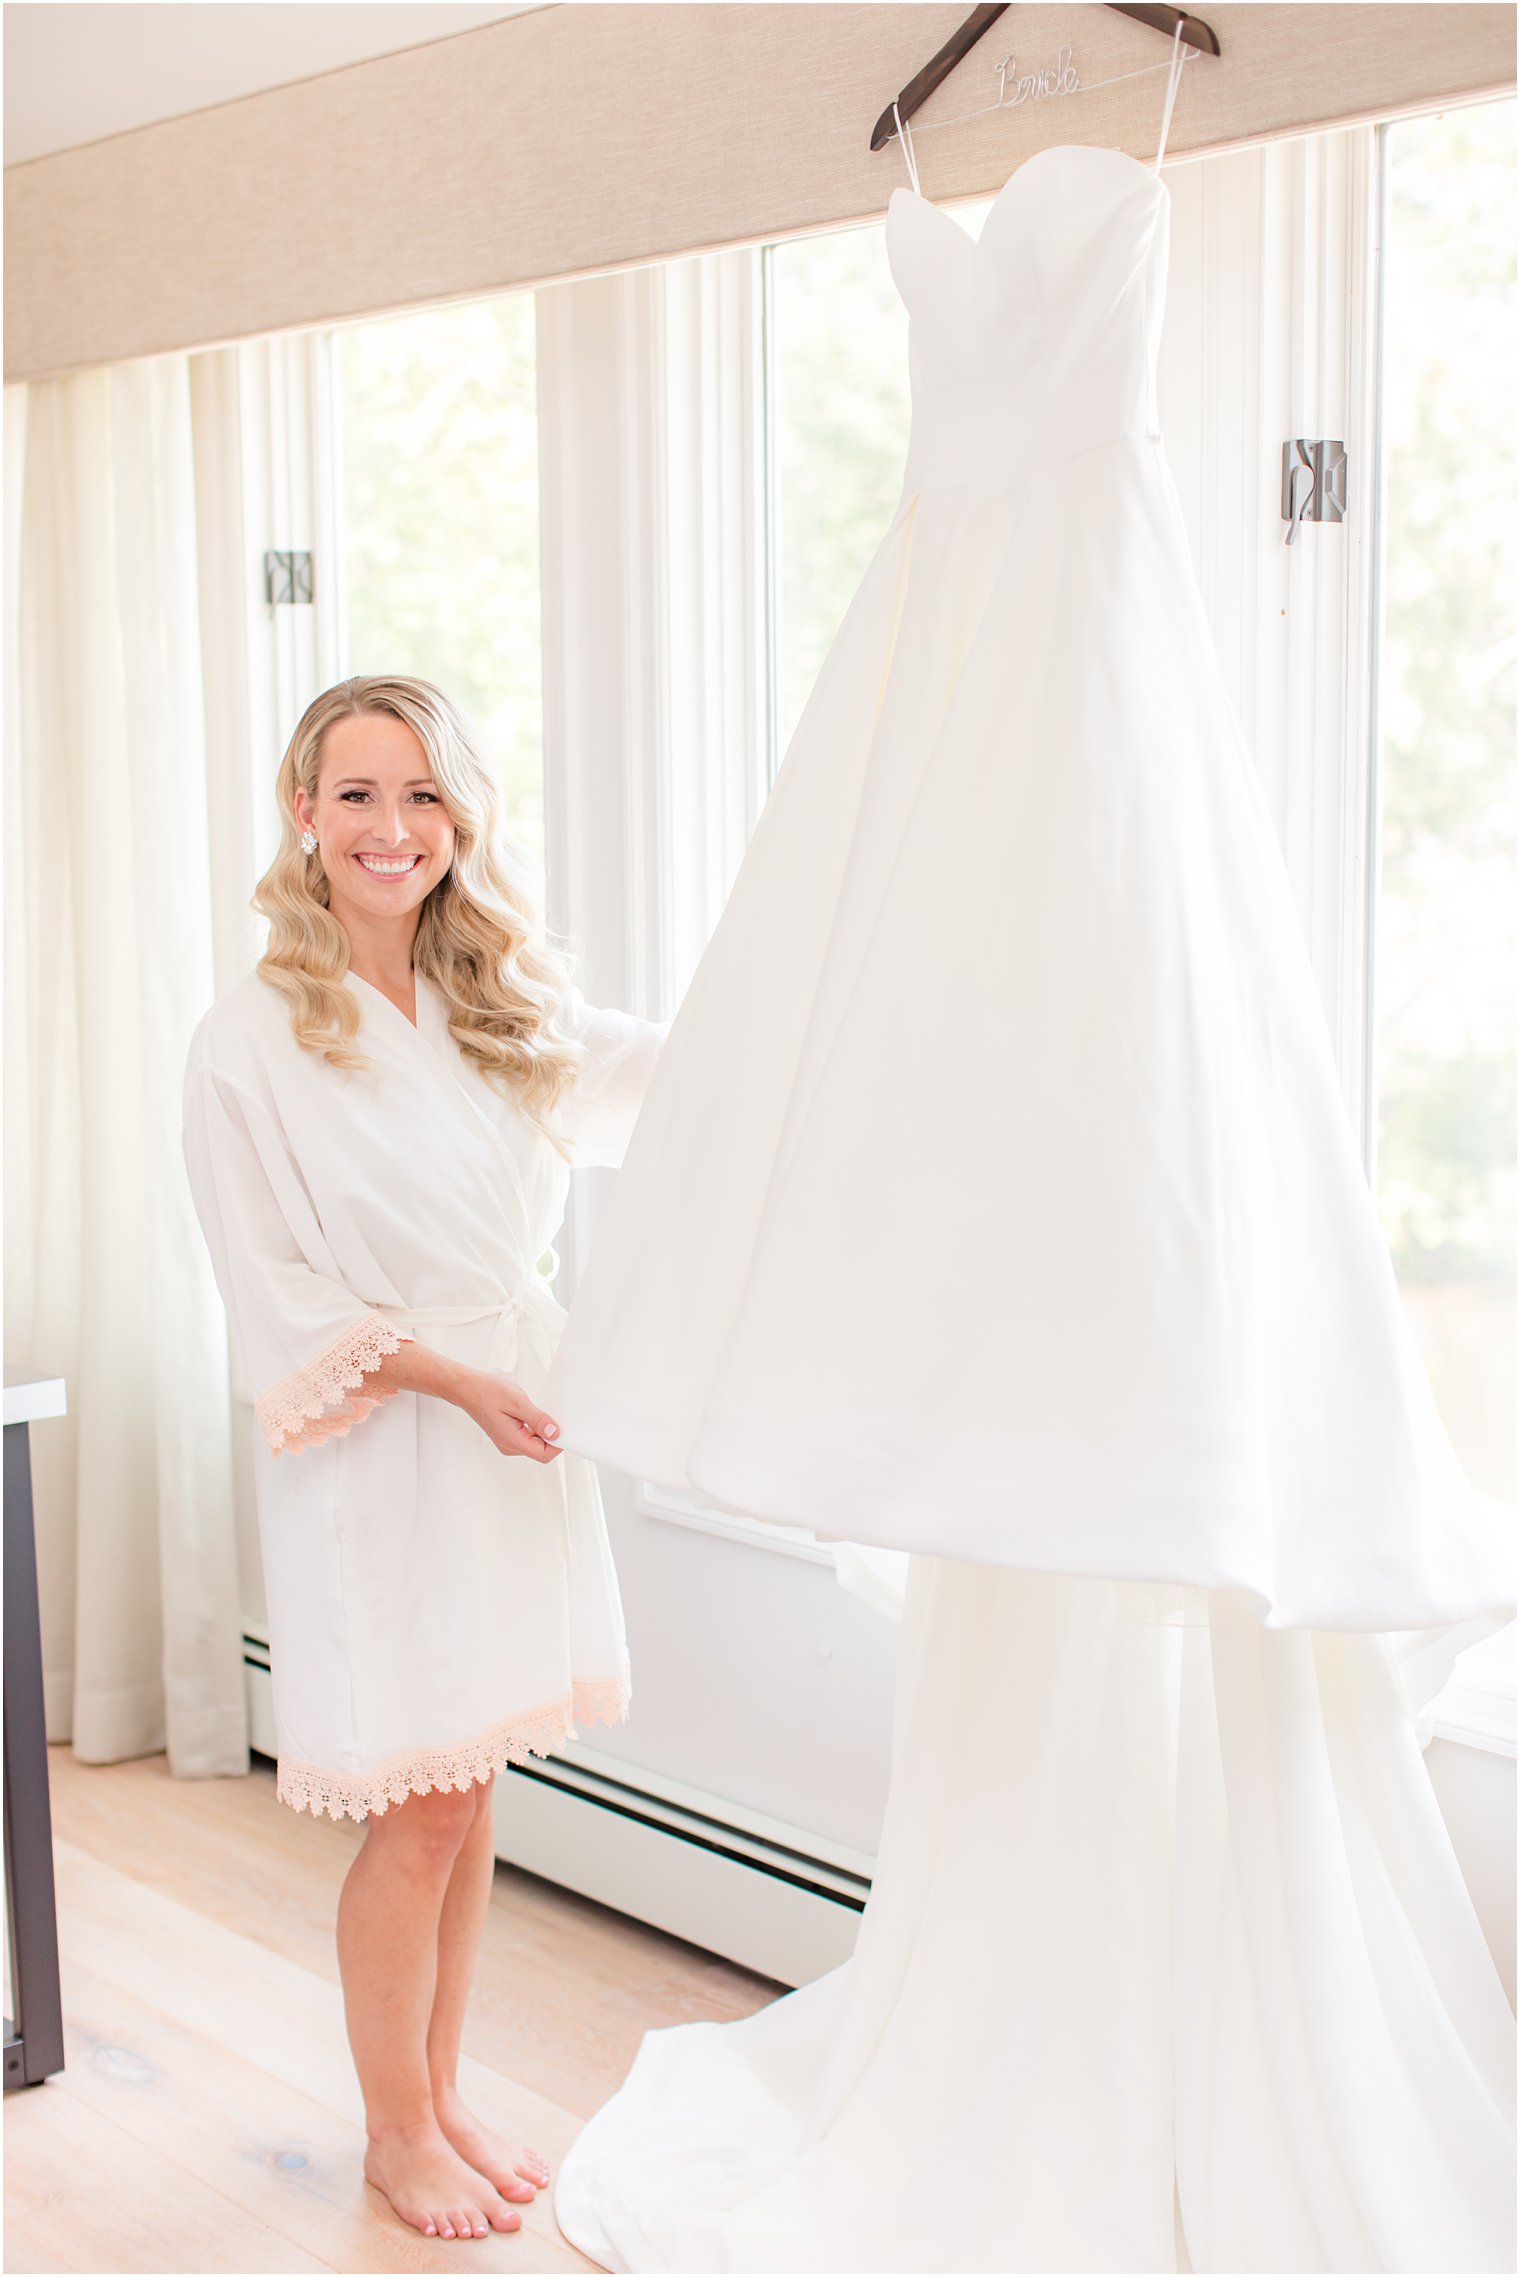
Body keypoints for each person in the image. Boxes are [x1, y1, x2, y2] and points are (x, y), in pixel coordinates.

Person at [182, 675, 665, 2243]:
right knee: (421, 1799)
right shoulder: (249, 1043)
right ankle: (397, 2132)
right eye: (359, 794)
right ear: (302, 812)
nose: (394, 829)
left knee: (469, 1778)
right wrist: (455, 1377)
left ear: (463, 817)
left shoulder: (500, 997)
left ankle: (442, 2094)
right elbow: (280, 1295)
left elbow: (676, 1079)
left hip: (507, 1419)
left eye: (425, 796)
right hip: (385, 1434)